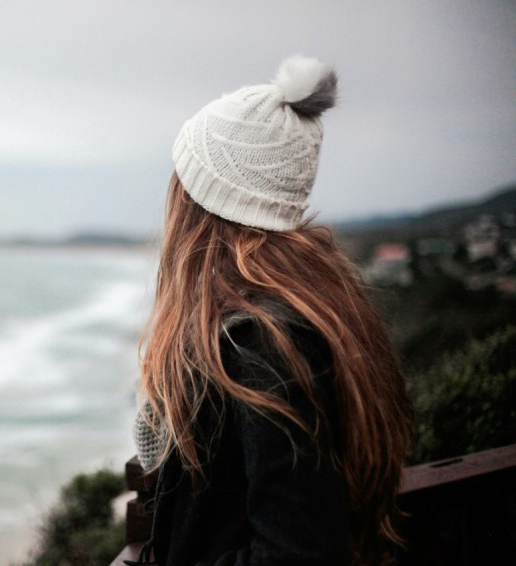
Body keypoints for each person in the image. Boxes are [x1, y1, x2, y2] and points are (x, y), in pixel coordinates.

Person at [130, 56, 413, 565]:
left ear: (202, 202)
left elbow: (297, 551)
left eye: (183, 178)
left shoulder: (263, 342)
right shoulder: (315, 301)